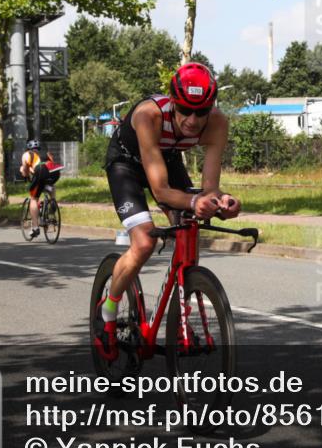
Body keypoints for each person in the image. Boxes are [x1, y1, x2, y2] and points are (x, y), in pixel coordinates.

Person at [95, 62, 241, 360]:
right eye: (185, 109)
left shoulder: (217, 123)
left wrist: (221, 201)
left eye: (201, 112)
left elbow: (209, 188)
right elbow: (161, 190)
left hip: (167, 158)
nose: (192, 119)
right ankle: (108, 309)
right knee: (145, 241)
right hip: (127, 164)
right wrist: (192, 201)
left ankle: (180, 313)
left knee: (190, 226)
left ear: (210, 108)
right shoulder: (148, 116)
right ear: (173, 102)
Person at [19, 139, 60, 240]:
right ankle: (52, 202)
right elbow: (50, 164)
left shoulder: (26, 154)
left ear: (28, 148)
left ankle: (36, 228)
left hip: (41, 171)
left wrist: (23, 171)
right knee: (49, 186)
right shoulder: (46, 153)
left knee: (33, 198)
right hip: (55, 172)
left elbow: (25, 171)